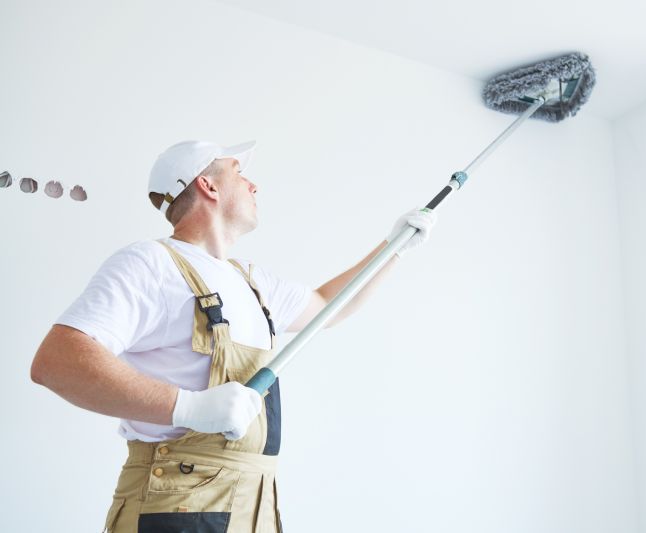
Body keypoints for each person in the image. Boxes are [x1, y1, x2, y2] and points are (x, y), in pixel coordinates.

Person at [29, 140, 436, 532]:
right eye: (240, 173)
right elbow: (57, 362)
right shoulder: (151, 263)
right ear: (208, 185)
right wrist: (187, 407)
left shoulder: (251, 282)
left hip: (254, 501)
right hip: (179, 499)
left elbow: (330, 305)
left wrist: (394, 248)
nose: (254, 185)